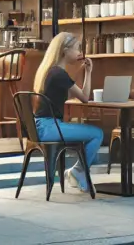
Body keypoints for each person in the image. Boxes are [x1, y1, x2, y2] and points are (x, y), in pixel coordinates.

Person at [32, 31, 100, 192]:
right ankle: (79, 171)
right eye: (77, 49)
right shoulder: (59, 74)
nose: (79, 53)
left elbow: (69, 94)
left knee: (91, 135)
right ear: (65, 50)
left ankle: (78, 170)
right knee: (97, 134)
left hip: (41, 126)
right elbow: (84, 97)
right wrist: (89, 73)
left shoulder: (50, 70)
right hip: (50, 127)